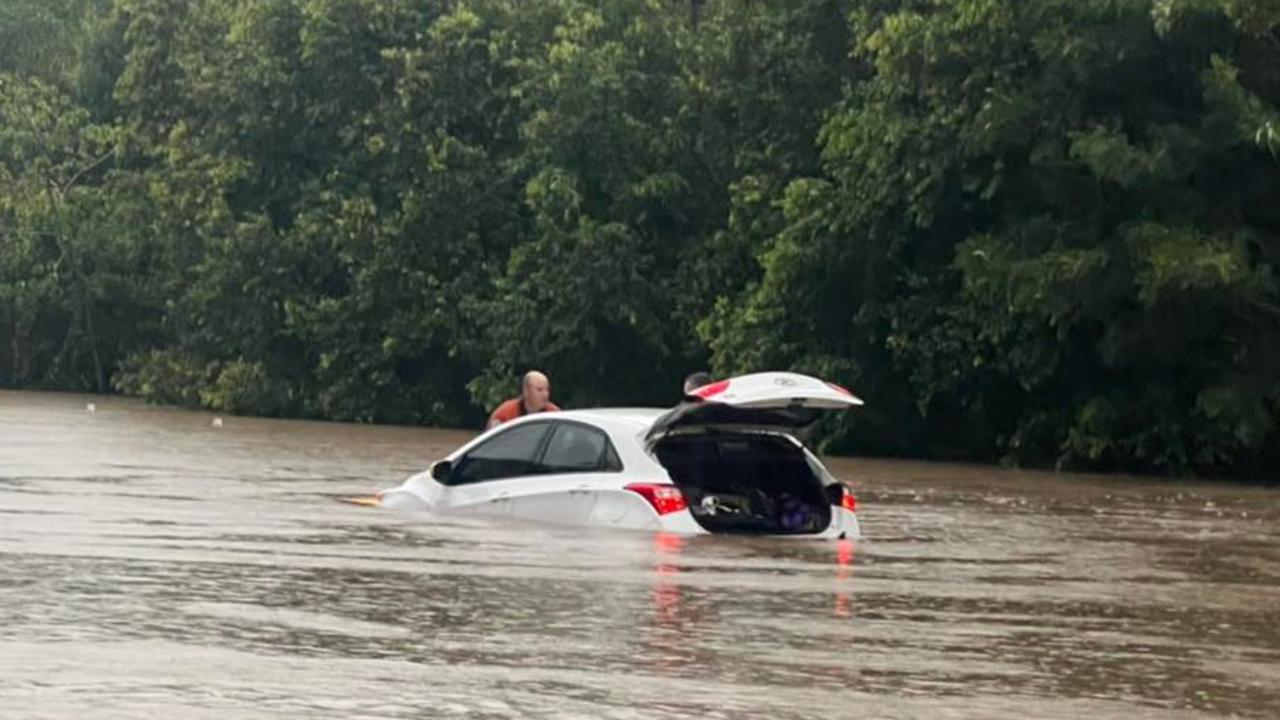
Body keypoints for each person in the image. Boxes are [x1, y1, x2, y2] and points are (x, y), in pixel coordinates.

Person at [487, 370, 560, 429]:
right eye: (539, 390)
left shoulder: (554, 414)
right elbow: (492, 440)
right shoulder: (505, 414)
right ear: (526, 391)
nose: (545, 395)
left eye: (547, 390)